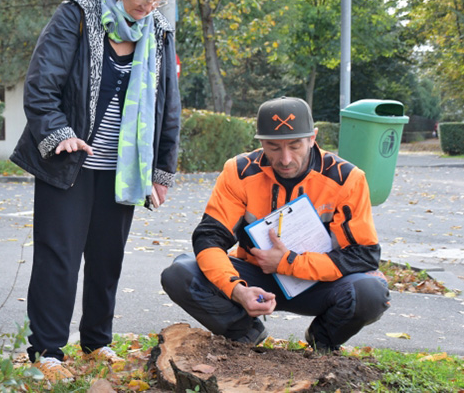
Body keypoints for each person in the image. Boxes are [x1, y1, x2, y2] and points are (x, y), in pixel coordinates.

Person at [9, 0, 183, 381]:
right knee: (59, 258)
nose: (149, 5)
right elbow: (41, 84)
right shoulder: (78, 14)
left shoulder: (158, 32)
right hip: (69, 160)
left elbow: (168, 105)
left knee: (107, 258)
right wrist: (58, 133)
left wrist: (161, 170)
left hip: (123, 167)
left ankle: (97, 342)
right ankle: (47, 351)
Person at [160, 96, 391, 353]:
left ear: (313, 138)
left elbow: (364, 255)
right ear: (260, 142)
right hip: (255, 280)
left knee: (371, 293)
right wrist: (237, 290)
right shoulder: (239, 171)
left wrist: (288, 262)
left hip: (321, 285)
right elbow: (209, 238)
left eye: (295, 146)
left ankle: (323, 340)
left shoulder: (347, 178)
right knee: (180, 273)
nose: (285, 159)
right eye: (273, 147)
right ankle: (245, 333)